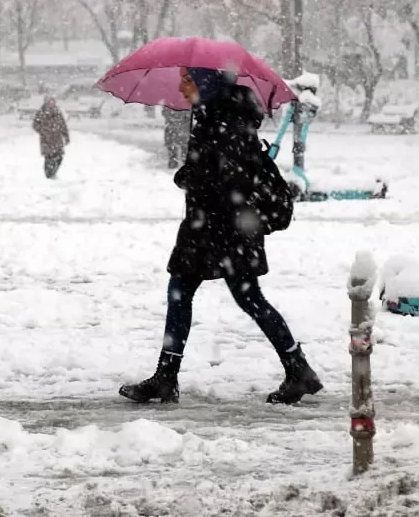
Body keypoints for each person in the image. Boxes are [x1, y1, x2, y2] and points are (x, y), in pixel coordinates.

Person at [120, 66, 322, 405]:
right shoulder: (216, 115)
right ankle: (295, 367)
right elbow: (221, 171)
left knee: (224, 297)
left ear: (205, 83)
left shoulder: (223, 121)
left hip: (223, 231)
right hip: (215, 230)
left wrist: (192, 177)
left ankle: (296, 368)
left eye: (187, 80)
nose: (182, 87)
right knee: (208, 295)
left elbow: (229, 179)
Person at [32, 96, 70, 179]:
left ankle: (52, 173)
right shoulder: (41, 112)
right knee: (49, 158)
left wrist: (66, 136)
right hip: (46, 140)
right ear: (46, 102)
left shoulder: (57, 112)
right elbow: (35, 125)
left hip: (57, 139)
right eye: (50, 102)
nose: (52, 103)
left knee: (59, 157)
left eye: (53, 101)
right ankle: (48, 175)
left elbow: (63, 125)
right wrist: (43, 131)